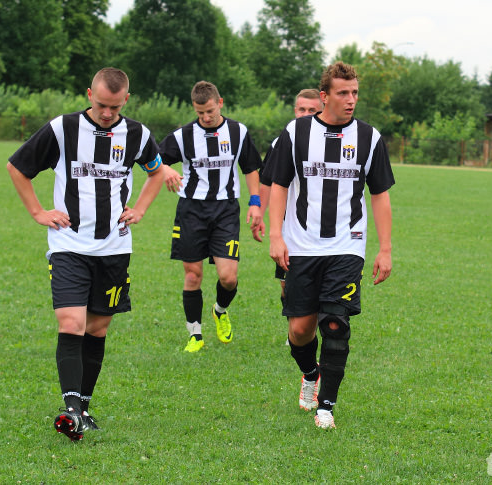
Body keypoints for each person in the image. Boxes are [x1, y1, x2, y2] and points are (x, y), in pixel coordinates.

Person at [6, 67, 165, 441]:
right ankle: (72, 409)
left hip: (114, 248)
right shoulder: (62, 129)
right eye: (101, 104)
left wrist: (140, 209)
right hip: (68, 244)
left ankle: (85, 406)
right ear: (88, 94)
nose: (107, 112)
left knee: (97, 328)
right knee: (71, 323)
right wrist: (38, 212)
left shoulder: (138, 134)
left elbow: (156, 173)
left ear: (126, 99)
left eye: (114, 106)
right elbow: (17, 167)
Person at [269, 62, 394, 429]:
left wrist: (384, 249)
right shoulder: (296, 133)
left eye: (354, 92)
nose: (351, 99)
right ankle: (310, 373)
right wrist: (276, 235)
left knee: (336, 326)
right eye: (343, 92)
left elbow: (381, 196)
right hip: (302, 246)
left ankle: (327, 406)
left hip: (347, 245)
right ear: (324, 96)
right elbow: (278, 184)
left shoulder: (369, 138)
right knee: (300, 331)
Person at [159, 81, 262, 353]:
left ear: (220, 103)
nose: (205, 117)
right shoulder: (183, 136)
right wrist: (166, 170)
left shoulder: (238, 132)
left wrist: (255, 202)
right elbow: (155, 158)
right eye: (200, 112)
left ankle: (220, 309)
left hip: (226, 210)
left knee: (228, 277)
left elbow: (251, 168)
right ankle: (195, 334)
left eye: (210, 111)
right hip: (191, 210)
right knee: (193, 276)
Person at [253, 89, 323, 345]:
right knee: (286, 285)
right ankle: (295, 327)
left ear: (322, 110)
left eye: (312, 111)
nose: (305, 115)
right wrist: (259, 212)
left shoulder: (327, 142)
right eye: (301, 110)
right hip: (288, 227)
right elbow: (267, 181)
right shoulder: (281, 142)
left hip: (320, 225)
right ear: (294, 111)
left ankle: (308, 330)